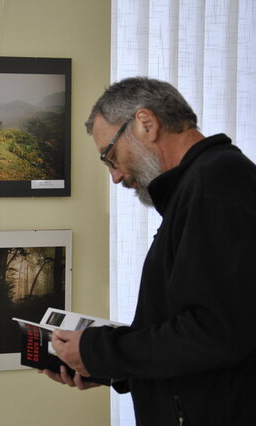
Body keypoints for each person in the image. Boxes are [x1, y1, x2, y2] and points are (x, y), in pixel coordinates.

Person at [40, 77, 256, 425]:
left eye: (110, 156)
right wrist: (106, 367)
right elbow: (190, 331)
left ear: (146, 124)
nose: (115, 176)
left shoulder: (216, 183)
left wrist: (99, 350)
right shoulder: (198, 186)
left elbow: (216, 333)